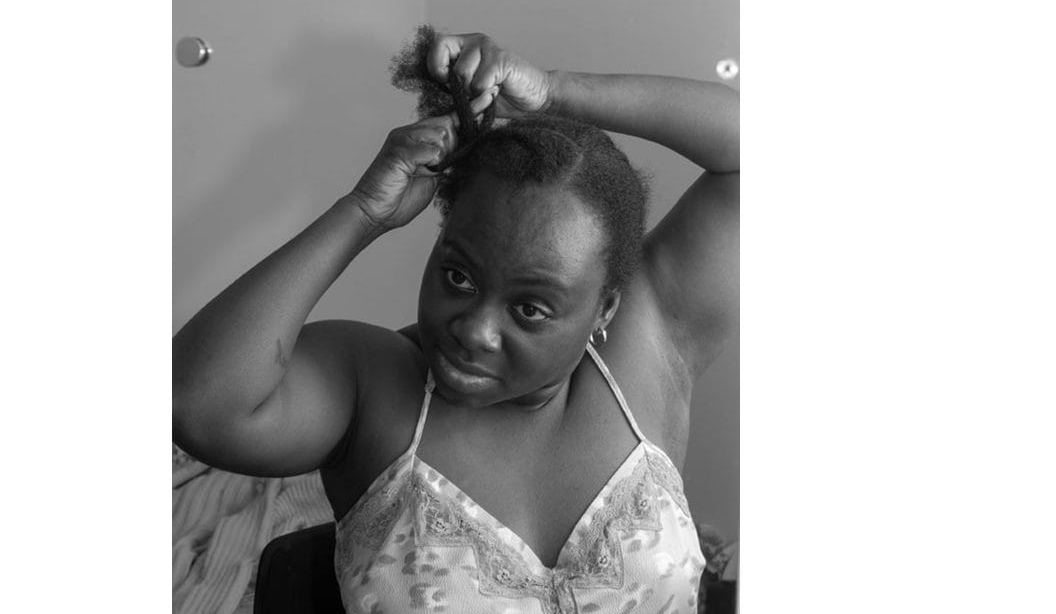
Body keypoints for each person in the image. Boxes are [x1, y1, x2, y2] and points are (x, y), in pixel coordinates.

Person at [173, 30, 739, 613]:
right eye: (459, 277)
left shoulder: (650, 344)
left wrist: (552, 92)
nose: (473, 330)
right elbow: (197, 404)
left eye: (530, 309)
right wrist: (363, 212)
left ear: (605, 310)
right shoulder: (372, 386)